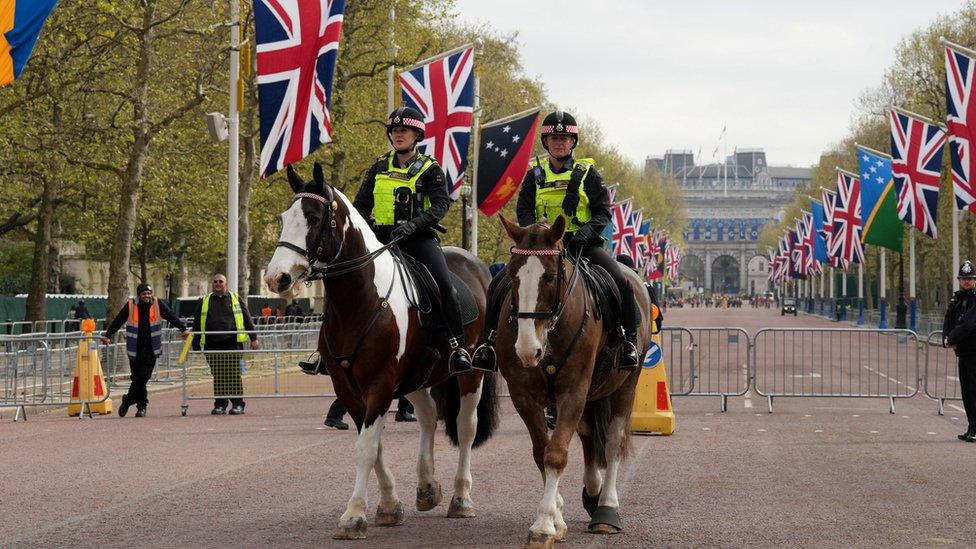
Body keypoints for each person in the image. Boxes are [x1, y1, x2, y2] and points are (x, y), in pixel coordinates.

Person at [472, 110, 641, 371]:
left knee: (619, 280)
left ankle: (627, 339)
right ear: (545, 142)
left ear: (573, 142)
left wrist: (584, 234)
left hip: (581, 246)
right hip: (542, 249)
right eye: (553, 138)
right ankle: (489, 342)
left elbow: (603, 212)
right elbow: (525, 210)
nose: (559, 142)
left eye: (564, 138)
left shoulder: (589, 174)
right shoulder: (534, 174)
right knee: (498, 284)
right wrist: (535, 232)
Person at [352, 106, 472, 375]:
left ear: (417, 134)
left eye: (404, 130)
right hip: (380, 241)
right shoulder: (378, 167)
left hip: (416, 240)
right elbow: (360, 205)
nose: (398, 135)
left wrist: (414, 225)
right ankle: (328, 351)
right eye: (394, 130)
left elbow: (441, 204)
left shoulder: (430, 169)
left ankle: (458, 346)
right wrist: (367, 226)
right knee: (347, 281)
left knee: (443, 285)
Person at [101, 284, 188, 417]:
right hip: (134, 348)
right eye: (144, 294)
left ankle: (128, 400)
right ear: (139, 295)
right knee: (137, 378)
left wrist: (183, 328)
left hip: (151, 348)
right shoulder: (130, 305)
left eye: (149, 293)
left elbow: (171, 316)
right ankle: (141, 407)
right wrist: (108, 335)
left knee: (144, 376)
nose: (147, 296)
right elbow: (118, 320)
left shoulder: (158, 304)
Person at [192, 274, 259, 415]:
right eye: (215, 281)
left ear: (226, 284)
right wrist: (195, 342)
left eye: (220, 282)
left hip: (232, 343)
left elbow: (247, 319)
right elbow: (197, 323)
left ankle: (238, 404)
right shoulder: (204, 300)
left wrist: (253, 338)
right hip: (212, 343)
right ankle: (220, 404)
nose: (218, 284)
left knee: (233, 374)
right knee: (218, 375)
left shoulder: (235, 299)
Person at [944, 260, 976, 442]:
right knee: (966, 391)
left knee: (974, 391)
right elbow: (949, 319)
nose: (966, 281)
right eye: (963, 278)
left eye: (970, 278)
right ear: (958, 279)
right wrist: (945, 338)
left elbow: (969, 324)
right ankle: (971, 427)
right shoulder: (956, 298)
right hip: (963, 352)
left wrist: (952, 338)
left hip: (974, 350)